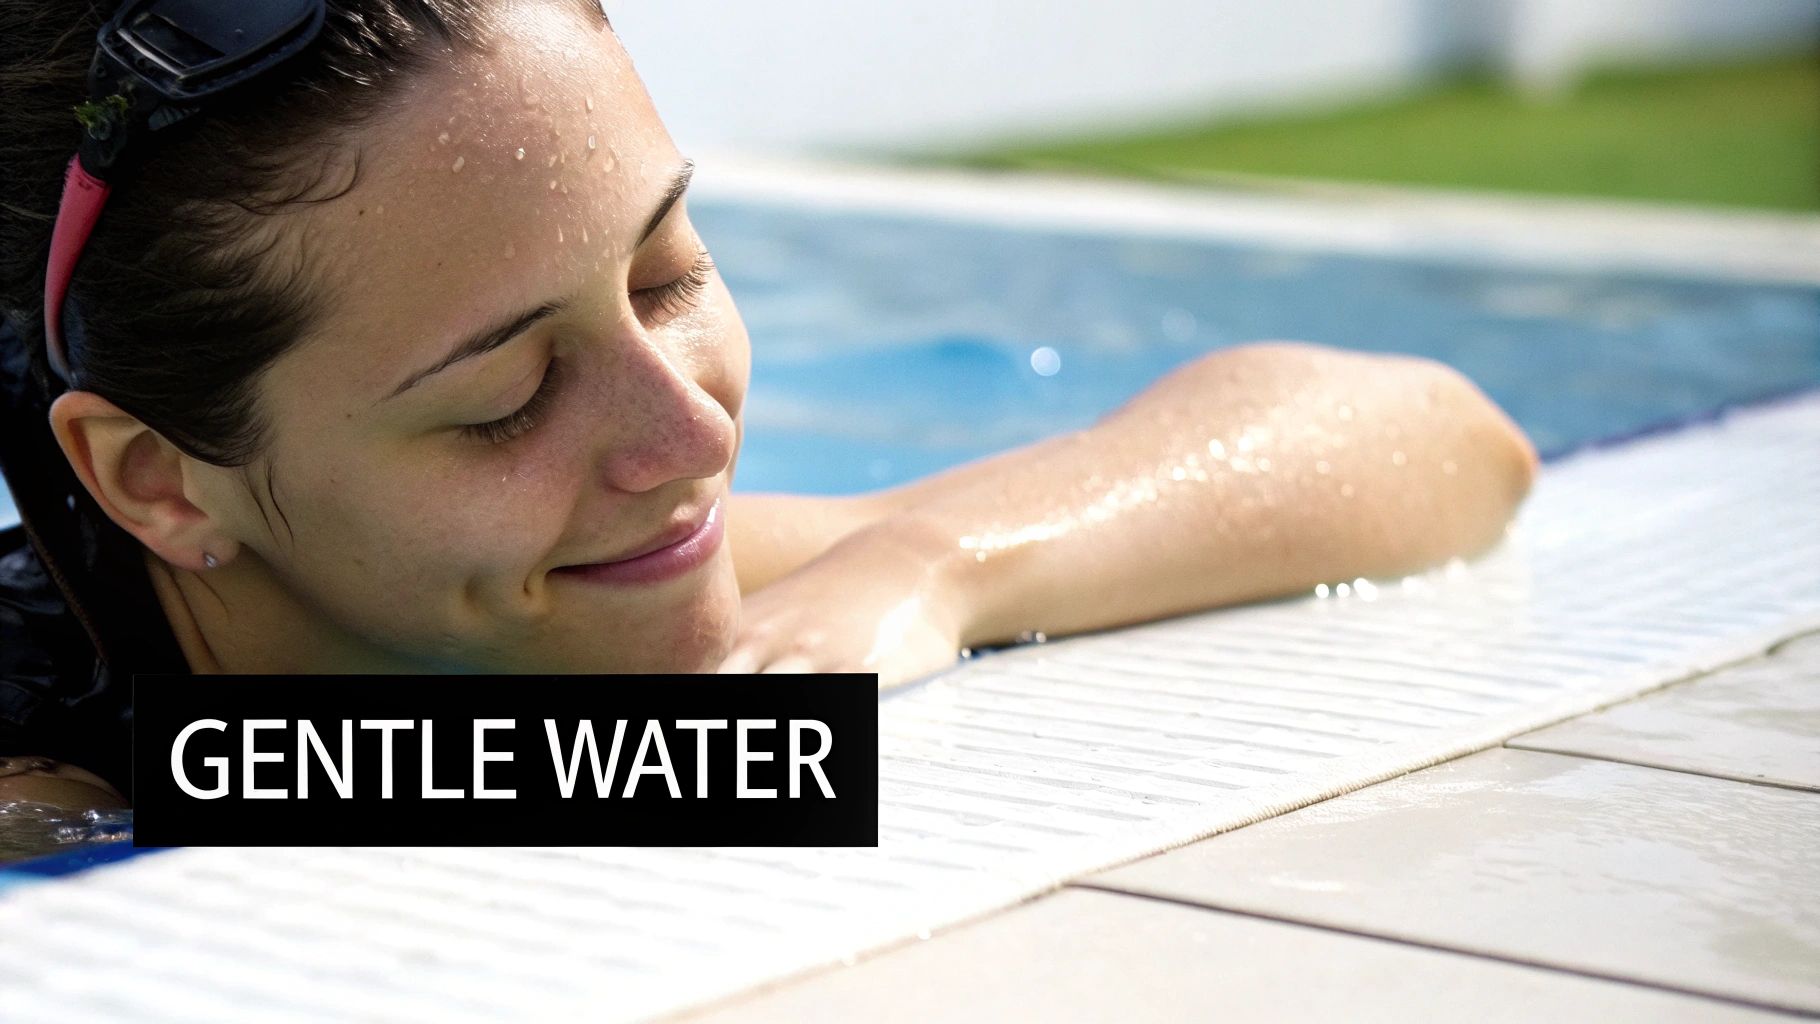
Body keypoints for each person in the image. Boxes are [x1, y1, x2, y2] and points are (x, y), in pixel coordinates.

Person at [0, 0, 1537, 812]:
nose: (695, 440)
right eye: (506, 397)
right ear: (155, 480)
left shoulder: (556, 610)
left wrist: (927, 565)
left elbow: (1441, 438)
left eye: (666, 275)